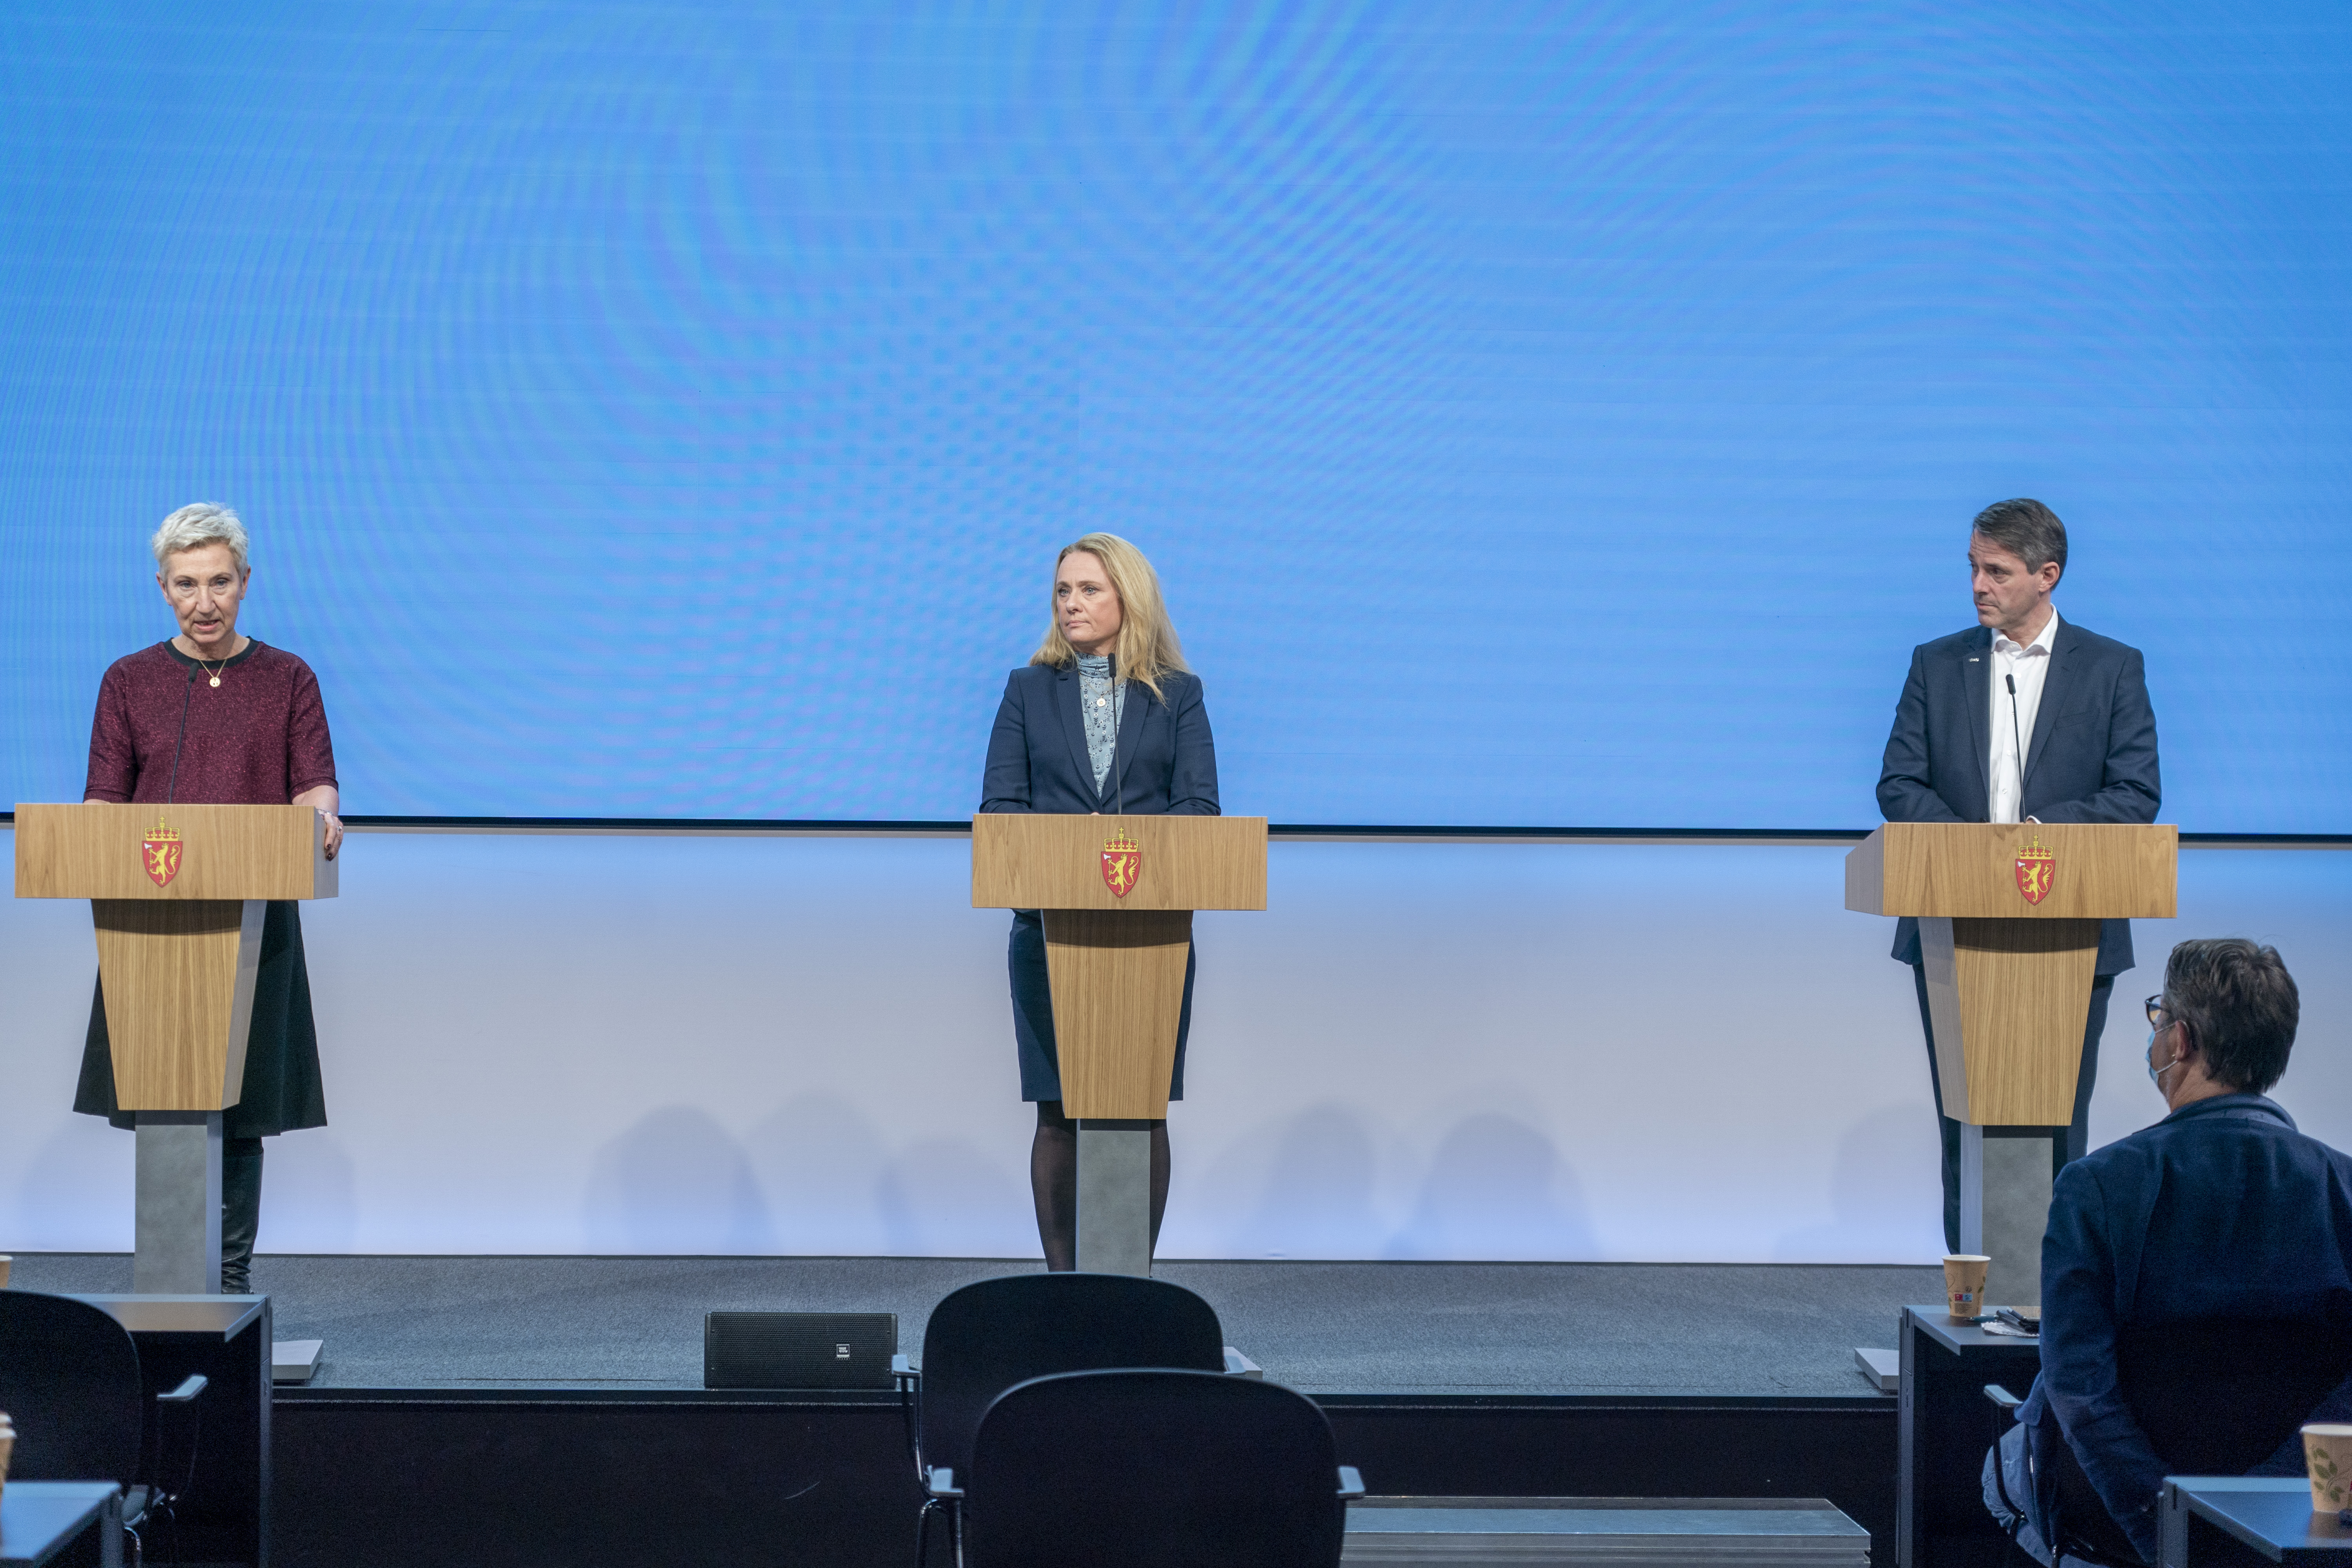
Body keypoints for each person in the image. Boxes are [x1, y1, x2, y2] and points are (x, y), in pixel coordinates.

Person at [1982, 938, 2352, 1564]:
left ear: (2178, 1043)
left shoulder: (2095, 1186)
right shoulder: (2343, 1188)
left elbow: (2079, 1387)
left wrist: (2165, 1528)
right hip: (2295, 1521)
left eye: (2158, 1019)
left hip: (2113, 1519)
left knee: (2000, 1470)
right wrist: (2259, 1510)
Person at [1876, 499, 2161, 1249]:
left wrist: (2033, 841)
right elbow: (1900, 786)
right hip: (1954, 928)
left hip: (2072, 930)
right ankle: (1967, 1307)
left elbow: (2134, 794)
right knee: (1962, 1117)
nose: (1978, 584)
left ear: (2047, 576)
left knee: (2061, 1120)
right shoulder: (1938, 664)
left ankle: (2060, 1310)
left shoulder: (2111, 668)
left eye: (1996, 571)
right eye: (1972, 566)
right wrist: (1975, 855)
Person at [77, 503, 343, 1295]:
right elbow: (101, 804)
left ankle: (227, 1283)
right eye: (187, 584)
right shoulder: (129, 679)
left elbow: (313, 786)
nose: (205, 600)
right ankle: (165, 1282)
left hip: (255, 919)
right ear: (163, 588)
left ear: (245, 583)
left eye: (219, 581)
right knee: (169, 1102)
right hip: (153, 926)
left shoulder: (288, 676)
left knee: (242, 1105)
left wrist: (320, 818)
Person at [979, 534, 1219, 1270]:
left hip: (1149, 941)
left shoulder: (1177, 695)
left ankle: (1131, 1290)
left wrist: (1125, 841)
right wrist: (1069, 849)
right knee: (1059, 1112)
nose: (1072, 604)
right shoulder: (1029, 689)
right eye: (1063, 591)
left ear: (1129, 600)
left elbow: (1201, 813)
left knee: (1141, 1111)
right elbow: (1001, 810)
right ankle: (1064, 1293)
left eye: (1089, 590)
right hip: (1049, 937)